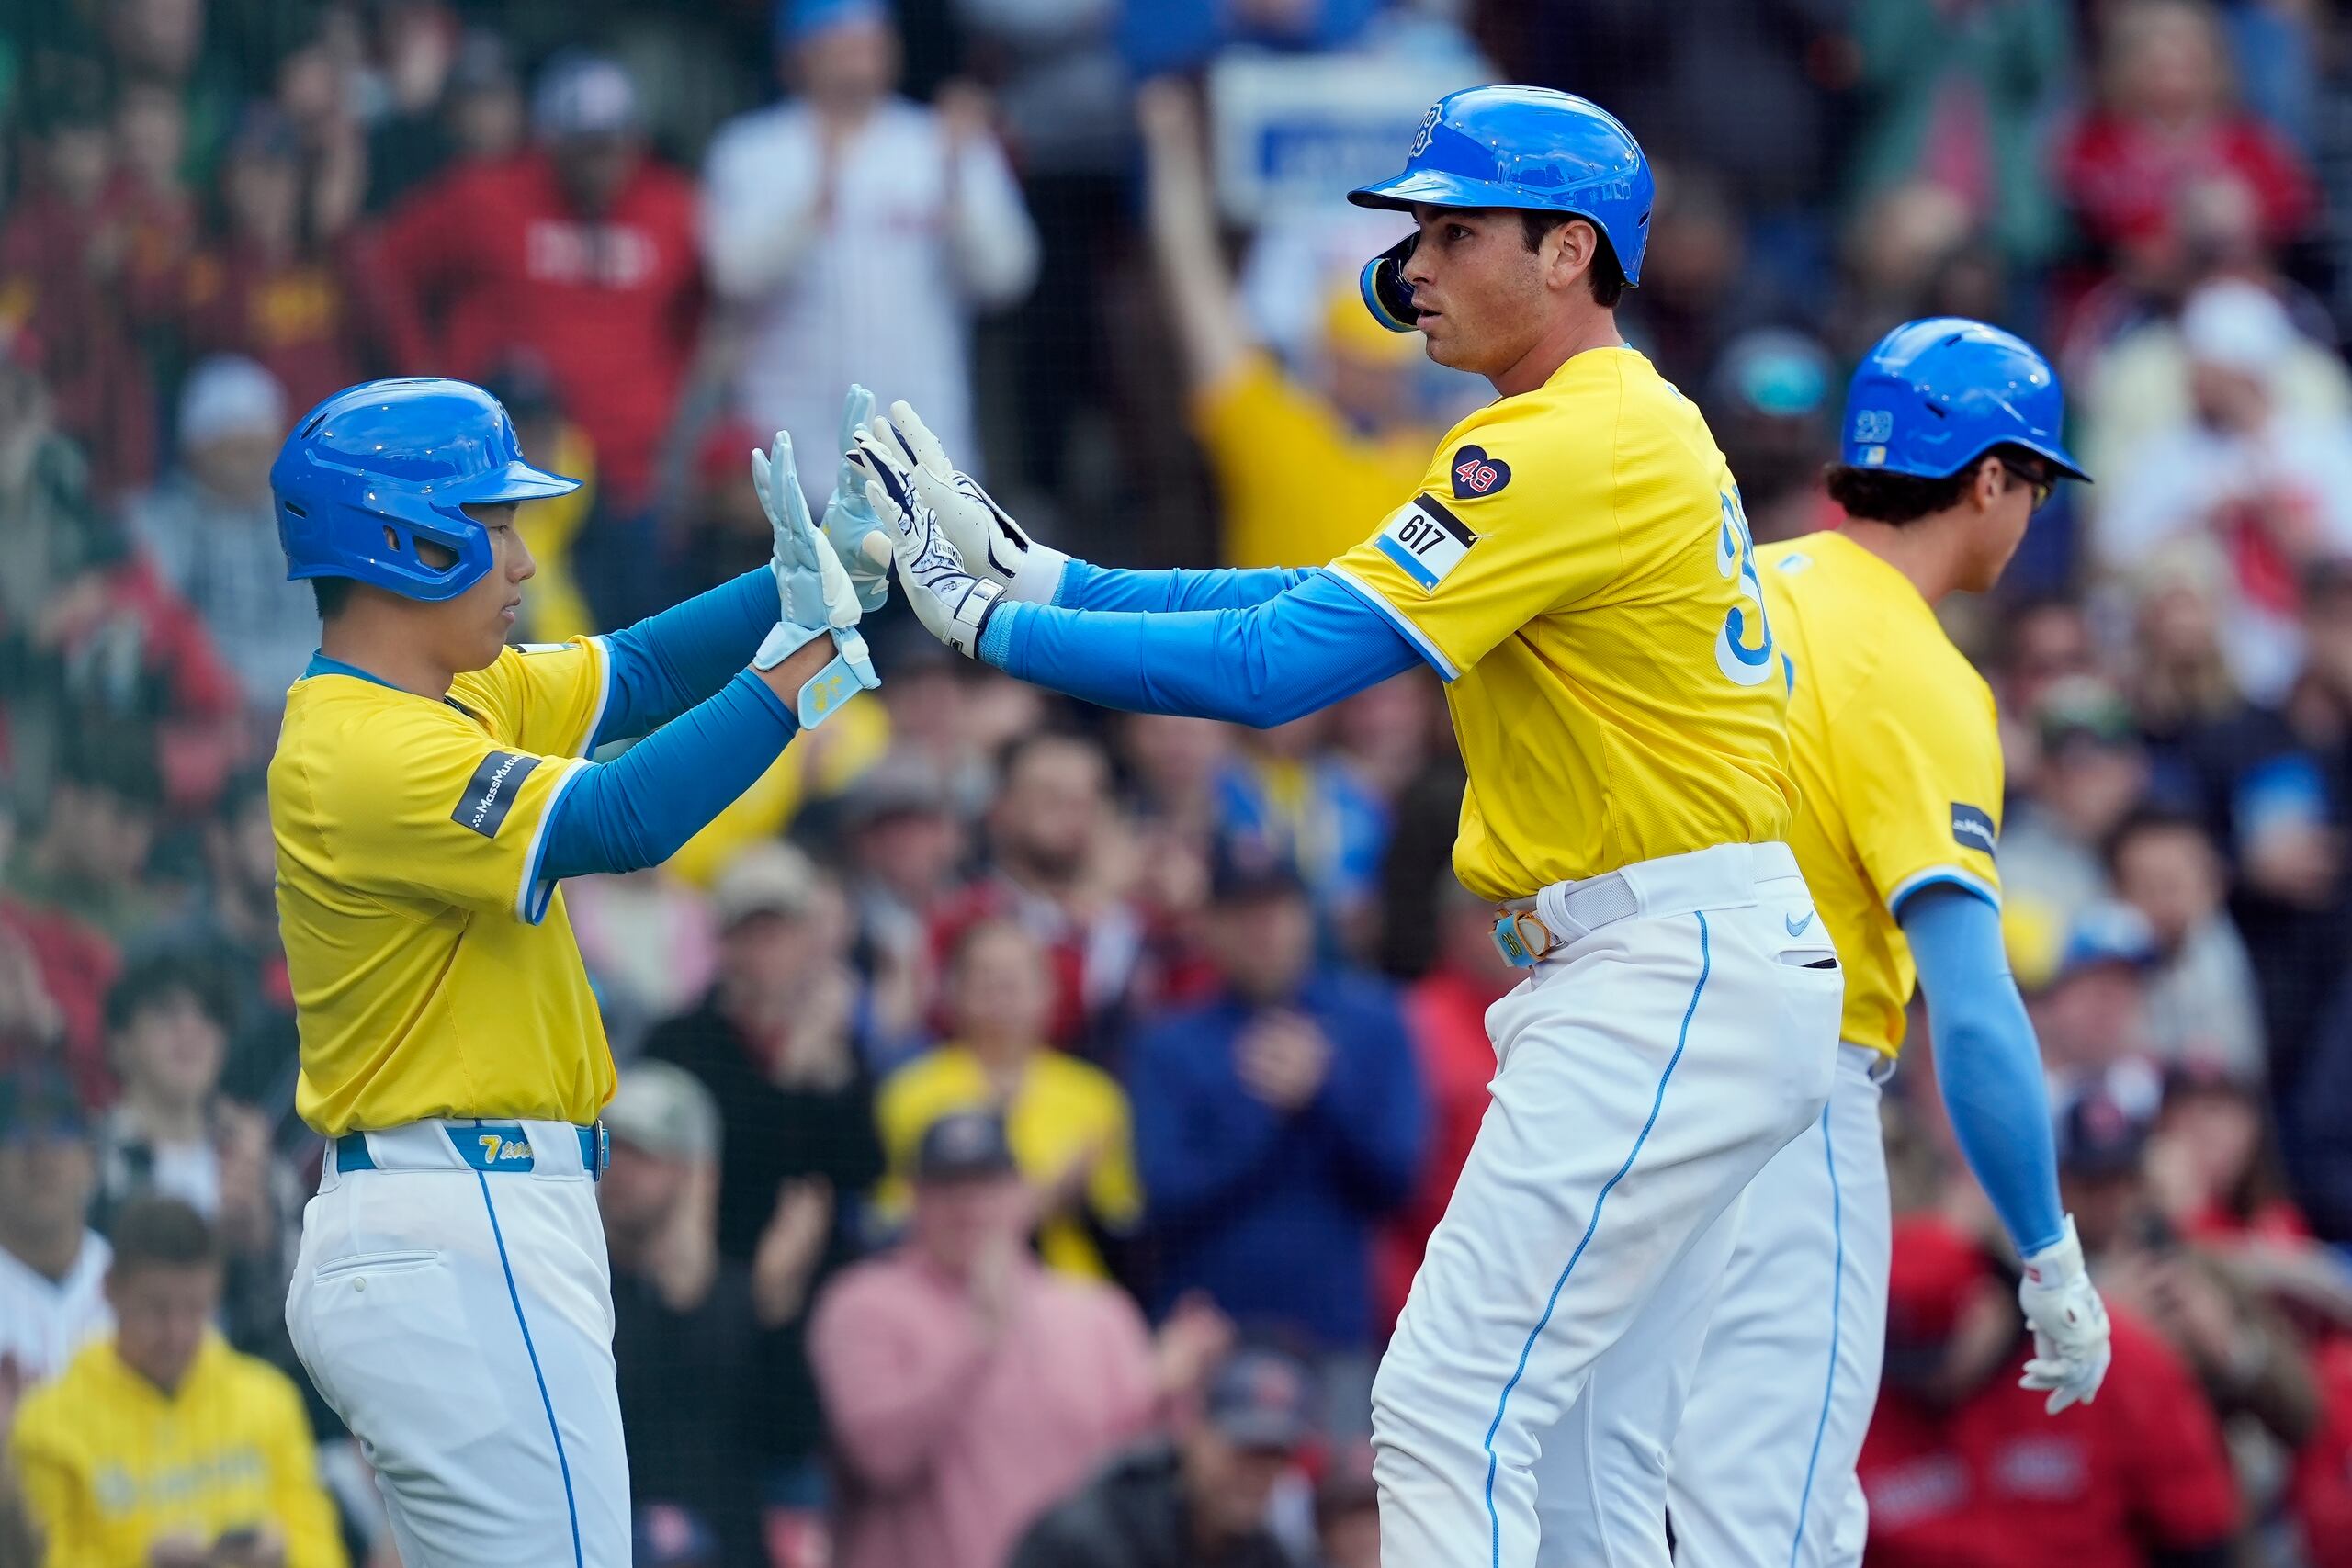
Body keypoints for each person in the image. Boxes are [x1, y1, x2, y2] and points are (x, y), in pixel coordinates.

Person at [852, 85, 1847, 1565]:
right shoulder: (1602, 424)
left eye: (1455, 228)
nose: (1415, 264)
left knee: (1446, 1406)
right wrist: (1049, 582)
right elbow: (1301, 601)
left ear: (1569, 252)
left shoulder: (1564, 439)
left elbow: (1275, 673)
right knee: (1582, 1458)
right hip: (1696, 960)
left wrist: (993, 631)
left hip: (1668, 969)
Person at [269, 376, 880, 1568]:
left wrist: (820, 573)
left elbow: (640, 674)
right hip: (458, 1208)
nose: (522, 557)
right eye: (494, 524)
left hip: (468, 1211)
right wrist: (803, 666)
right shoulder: (360, 746)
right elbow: (624, 816)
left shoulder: (445, 692)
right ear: (406, 534)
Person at [1668, 319, 2115, 1566]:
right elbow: (1972, 1008)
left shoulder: (1729, 585)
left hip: (1621, 1069)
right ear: (1988, 480)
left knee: (1617, 1509)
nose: (2030, 514)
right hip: (1788, 1099)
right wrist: (2045, 1245)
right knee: (1776, 1523)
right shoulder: (1918, 669)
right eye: (2031, 483)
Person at [808, 1111, 1227, 1568]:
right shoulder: (863, 1304)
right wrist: (977, 1341)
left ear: (1024, 1195)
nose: (968, 1207)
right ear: (912, 1197)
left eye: (986, 1185)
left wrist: (1173, 1394)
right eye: (947, 1187)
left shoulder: (1096, 1311)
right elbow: (882, 1459)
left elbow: (1133, 1481)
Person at [699, 0, 1038, 513]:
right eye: (842, 38)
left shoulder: (941, 141)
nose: (861, 53)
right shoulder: (750, 151)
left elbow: (1008, 276)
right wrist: (813, 205)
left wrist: (957, 189)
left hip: (927, 457)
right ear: (800, 53)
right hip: (789, 458)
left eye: (872, 38)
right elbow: (732, 274)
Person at [1125, 847, 1424, 1406]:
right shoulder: (1169, 1042)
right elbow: (1164, 1195)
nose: (1262, 930)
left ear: (1307, 918)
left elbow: (1398, 1178)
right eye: (1241, 913)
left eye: (1278, 910)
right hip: (1209, 1333)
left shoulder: (1374, 1023)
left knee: (1343, 1492)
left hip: (1337, 1331)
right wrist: (1266, 1112)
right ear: (1209, 927)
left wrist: (1321, 1097)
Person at [639, 842, 886, 1506]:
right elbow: (707, 1157)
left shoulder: (835, 1045)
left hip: (811, 1312)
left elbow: (866, 1166)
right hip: (706, 1302)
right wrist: (791, 1082)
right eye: (751, 930)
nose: (767, 947)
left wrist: (824, 1072)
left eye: (781, 929)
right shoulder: (680, 1040)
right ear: (723, 942)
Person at [375, 52, 703, 535]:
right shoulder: (488, 198)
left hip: (636, 479)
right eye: (585, 147)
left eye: (612, 145)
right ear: (551, 143)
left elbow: (703, 316)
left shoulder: (673, 207)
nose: (601, 164)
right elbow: (386, 268)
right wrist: (425, 379)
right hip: (510, 476)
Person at [1136, 78, 1439, 571]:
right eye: (1370, 363)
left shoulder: (1440, 458)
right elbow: (1190, 271)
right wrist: (1171, 149)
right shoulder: (1275, 429)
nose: (1388, 381)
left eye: (1393, 366)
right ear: (1332, 359)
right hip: (1269, 647)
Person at [1855, 1215, 2239, 1568]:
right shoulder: (1863, 1402)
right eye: (1910, 1363)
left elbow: (2199, 1530)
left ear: (1985, 1305)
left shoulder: (2107, 1362)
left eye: (1939, 1354)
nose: (1930, 1381)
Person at [9, 1197, 346, 1568]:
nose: (177, 1333)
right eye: (157, 1309)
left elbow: (324, 1550)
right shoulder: (47, 1424)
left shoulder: (269, 1400)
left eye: (195, 1308)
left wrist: (282, 1551)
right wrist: (142, 1558)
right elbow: (37, 1557)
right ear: (109, 1290)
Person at [877, 918, 1140, 1279]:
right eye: (984, 976)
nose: (1001, 991)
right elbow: (894, 1217)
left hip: (1068, 1291)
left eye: (1017, 978)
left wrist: (1085, 1200)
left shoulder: (1094, 1095)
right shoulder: (910, 1091)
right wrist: (1040, 1201)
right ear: (951, 991)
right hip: (946, 1292)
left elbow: (1124, 1218)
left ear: (1050, 991)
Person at [91, 954, 302, 1360]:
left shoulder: (265, 1171)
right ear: (120, 1042)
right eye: (165, 1012)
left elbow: (294, 1319)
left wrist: (261, 1247)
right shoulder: (88, 1160)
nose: (190, 1029)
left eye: (207, 1015)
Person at [597, 1062, 766, 1568]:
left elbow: (789, 1438)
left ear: (695, 1174)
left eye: (645, 1154)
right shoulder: (569, 1288)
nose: (620, 1171)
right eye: (612, 1150)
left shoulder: (739, 1297)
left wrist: (691, 1299)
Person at [1007, 1345, 1311, 1568]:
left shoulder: (1264, 1555)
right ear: (1193, 1433)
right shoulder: (1092, 1534)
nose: (1256, 1474)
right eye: (1243, 1451)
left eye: (1274, 1456)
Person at [128, 355, 318, 713]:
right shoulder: (160, 521)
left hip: (317, 704)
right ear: (196, 450)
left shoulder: (312, 516)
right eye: (233, 448)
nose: (247, 461)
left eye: (257, 446)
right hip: (208, 712)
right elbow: (156, 619)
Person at [0, 1069, 110, 1393]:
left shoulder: (136, 1282)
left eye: (61, 1131)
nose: (41, 1156)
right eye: (17, 1133)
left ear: (91, 1160)